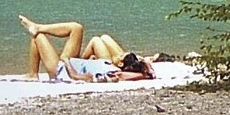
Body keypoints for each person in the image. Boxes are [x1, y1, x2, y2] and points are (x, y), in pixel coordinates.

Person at [19, 15, 156, 82]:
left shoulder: (110, 72)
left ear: (121, 64)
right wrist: (145, 68)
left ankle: (32, 74)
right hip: (74, 62)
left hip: (62, 70)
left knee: (38, 37)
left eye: (121, 56)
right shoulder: (108, 63)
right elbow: (150, 73)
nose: (119, 54)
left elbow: (76, 77)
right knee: (76, 27)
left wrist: (66, 61)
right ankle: (38, 26)